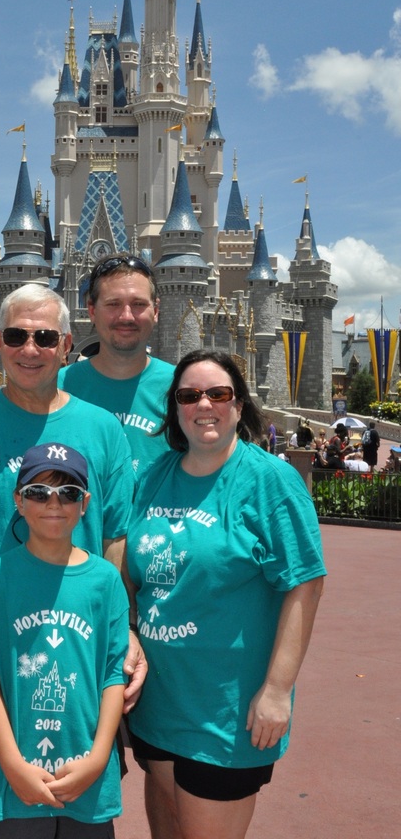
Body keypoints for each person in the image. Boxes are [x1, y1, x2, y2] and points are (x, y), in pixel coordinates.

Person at [0, 283, 141, 839]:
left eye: (45, 337)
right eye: (17, 335)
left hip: (79, 650)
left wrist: (124, 632)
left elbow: (115, 538)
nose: (30, 348)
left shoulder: (102, 430)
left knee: (77, 804)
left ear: (67, 344)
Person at [125, 349, 326, 839]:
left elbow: (305, 582)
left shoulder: (269, 482)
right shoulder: (154, 476)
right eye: (189, 395)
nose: (204, 405)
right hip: (160, 701)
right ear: (175, 408)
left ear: (239, 405)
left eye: (218, 394)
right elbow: (131, 573)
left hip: (226, 710)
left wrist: (277, 692)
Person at [0, 443, 128, 836]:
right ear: (18, 501)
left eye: (68, 493)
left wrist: (97, 759)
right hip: (17, 779)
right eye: (38, 492)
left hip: (87, 776)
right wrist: (11, 764)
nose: (53, 503)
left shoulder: (104, 579)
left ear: (85, 503)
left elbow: (113, 674)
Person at [58, 252, 174, 480]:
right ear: (91, 310)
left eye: (138, 304)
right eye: (113, 304)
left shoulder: (185, 389)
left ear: (156, 311)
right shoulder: (57, 387)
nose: (126, 316)